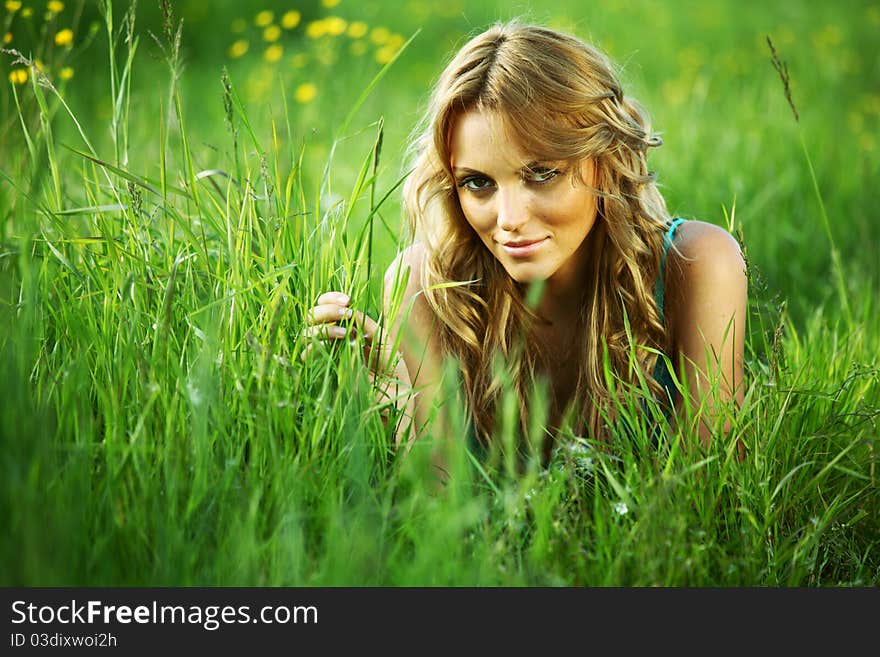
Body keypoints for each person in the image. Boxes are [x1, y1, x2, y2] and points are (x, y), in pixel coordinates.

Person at [305, 21, 747, 472]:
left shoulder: (697, 264)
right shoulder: (429, 287)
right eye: (478, 183)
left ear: (605, 159)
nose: (509, 218)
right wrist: (401, 397)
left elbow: (711, 497)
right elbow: (437, 515)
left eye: (541, 174)